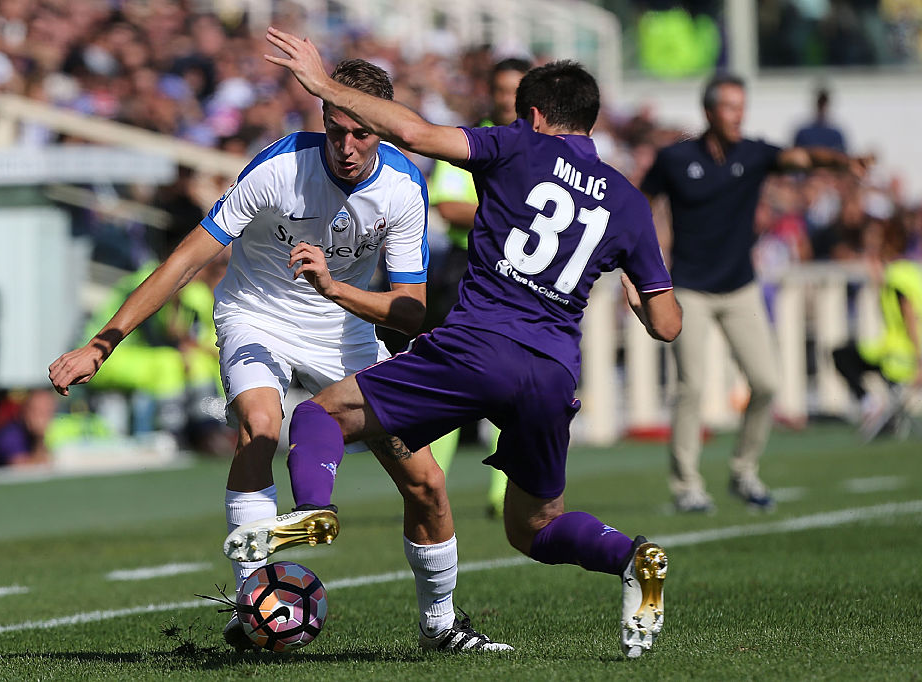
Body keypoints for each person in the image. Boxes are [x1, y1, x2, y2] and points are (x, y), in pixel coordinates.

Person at [233, 26, 682, 659]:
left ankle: (315, 509)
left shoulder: (518, 146)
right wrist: (642, 296)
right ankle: (634, 556)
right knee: (536, 527)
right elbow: (666, 325)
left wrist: (323, 83)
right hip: (553, 371)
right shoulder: (629, 201)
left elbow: (413, 134)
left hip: (478, 347)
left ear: (532, 114)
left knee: (318, 413)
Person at [49, 59, 507, 653]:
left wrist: (335, 289)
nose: (346, 146)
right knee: (261, 428)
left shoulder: (403, 188)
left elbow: (411, 312)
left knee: (426, 483)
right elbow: (186, 259)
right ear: (323, 118)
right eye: (335, 129)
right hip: (255, 314)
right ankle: (255, 605)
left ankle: (440, 626)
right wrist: (101, 344)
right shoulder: (280, 166)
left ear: (384, 130)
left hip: (345, 332)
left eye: (361, 133)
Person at [640, 73, 867, 514]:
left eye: (742, 107)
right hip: (689, 288)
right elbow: (638, 200)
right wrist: (643, 256)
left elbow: (803, 157)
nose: (738, 116)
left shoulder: (755, 153)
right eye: (729, 107)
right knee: (691, 388)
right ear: (708, 112)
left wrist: (841, 162)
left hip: (740, 286)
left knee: (766, 383)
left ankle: (744, 473)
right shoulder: (675, 158)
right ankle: (687, 485)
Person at [425, 56, 531, 519]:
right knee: (451, 381)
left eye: (517, 89)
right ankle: (429, 485)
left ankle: (501, 492)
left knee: (515, 387)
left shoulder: (547, 144)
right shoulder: (469, 141)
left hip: (526, 275)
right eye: (502, 88)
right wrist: (510, 216)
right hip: (469, 271)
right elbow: (447, 206)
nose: (508, 98)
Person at [832, 219, 922, 438]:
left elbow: (912, 319)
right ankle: (877, 409)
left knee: (841, 355)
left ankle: (870, 404)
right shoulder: (915, 272)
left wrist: (920, 364)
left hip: (900, 358)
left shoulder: (896, 277)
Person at [0, 388, 56, 469]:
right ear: (25, 410)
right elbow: (22, 468)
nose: (44, 418)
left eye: (48, 412)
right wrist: (40, 438)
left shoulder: (45, 434)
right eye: (39, 412)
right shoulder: (9, 435)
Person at [793, 87, 847, 153]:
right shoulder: (803, 133)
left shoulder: (836, 134)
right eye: (821, 103)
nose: (822, 107)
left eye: (824, 104)